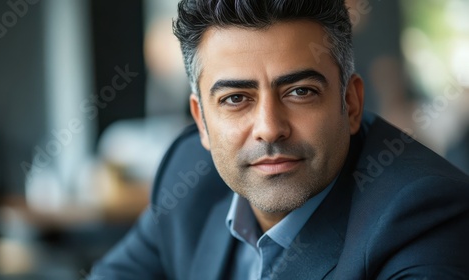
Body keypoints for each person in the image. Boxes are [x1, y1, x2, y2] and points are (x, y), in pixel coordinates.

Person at [90, 0, 469, 279]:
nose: (269, 128)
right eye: (235, 99)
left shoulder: (422, 215)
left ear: (350, 103)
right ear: (201, 121)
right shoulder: (186, 175)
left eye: (300, 92)